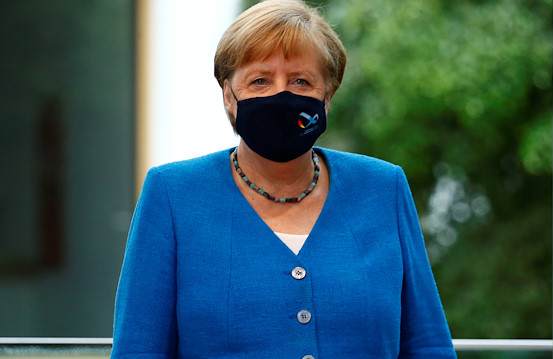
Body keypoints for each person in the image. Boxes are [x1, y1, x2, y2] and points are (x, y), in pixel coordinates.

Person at [111, 0, 456, 358]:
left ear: (327, 96)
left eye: (300, 81)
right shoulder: (172, 195)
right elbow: (139, 349)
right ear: (229, 96)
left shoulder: (384, 188)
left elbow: (428, 345)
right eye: (260, 80)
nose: (281, 94)